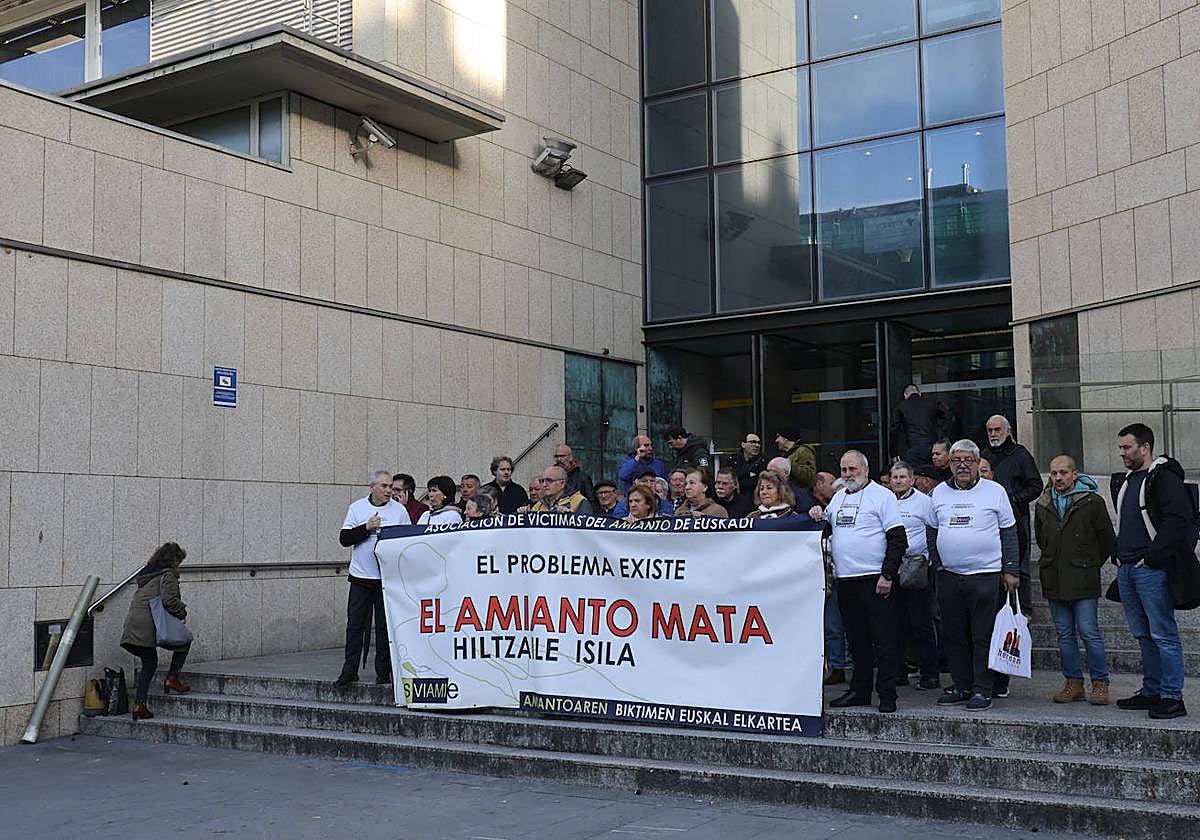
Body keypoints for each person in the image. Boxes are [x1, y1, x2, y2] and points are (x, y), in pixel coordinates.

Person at [811, 451, 908, 713]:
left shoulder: (882, 496)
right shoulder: (838, 498)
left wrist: (887, 575)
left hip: (875, 580)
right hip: (846, 580)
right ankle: (860, 690)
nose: (847, 474)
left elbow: (898, 539)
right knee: (856, 641)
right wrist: (817, 513)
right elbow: (826, 529)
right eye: (843, 469)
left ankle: (887, 694)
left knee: (884, 640)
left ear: (865, 469)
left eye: (852, 469)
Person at [930, 440, 1019, 711]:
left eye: (968, 460)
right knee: (954, 634)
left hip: (986, 575)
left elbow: (1009, 531)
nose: (963, 465)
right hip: (949, 576)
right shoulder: (938, 493)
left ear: (978, 463)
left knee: (983, 635)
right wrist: (937, 562)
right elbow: (931, 529)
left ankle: (983, 689)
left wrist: (1011, 569)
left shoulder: (995, 491)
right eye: (957, 460)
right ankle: (962, 685)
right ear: (950, 464)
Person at [1110, 423, 1191, 719]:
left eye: (1127, 447)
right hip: (1128, 568)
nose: (1122, 453)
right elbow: (1124, 523)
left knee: (1163, 634)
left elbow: (1177, 519)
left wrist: (1154, 558)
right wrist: (1117, 554)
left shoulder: (1163, 478)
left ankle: (1172, 696)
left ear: (1144, 447)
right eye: (1120, 447)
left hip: (1150, 570)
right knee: (1143, 635)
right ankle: (1152, 690)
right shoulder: (1129, 480)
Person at [1034, 454, 1115, 705]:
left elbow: (1107, 540)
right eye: (1054, 473)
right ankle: (1073, 683)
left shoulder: (1092, 501)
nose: (1058, 478)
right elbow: (1042, 538)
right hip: (1054, 578)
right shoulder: (1044, 503)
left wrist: (1088, 564)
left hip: (1082, 578)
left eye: (1063, 473)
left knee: (1089, 632)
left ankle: (1100, 683)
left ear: (1074, 474)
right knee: (1064, 634)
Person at [337, 470, 412, 688]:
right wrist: (366, 528)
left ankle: (383, 671)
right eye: (384, 486)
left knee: (384, 627)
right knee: (355, 627)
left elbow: (407, 541)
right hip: (360, 577)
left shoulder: (399, 511)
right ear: (372, 487)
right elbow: (344, 538)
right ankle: (349, 670)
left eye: (391, 487)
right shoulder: (357, 508)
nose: (389, 491)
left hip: (386, 579)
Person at [121, 542, 191, 721]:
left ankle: (139, 705)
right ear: (174, 561)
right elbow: (170, 600)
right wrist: (182, 613)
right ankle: (172, 678)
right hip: (146, 625)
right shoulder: (168, 576)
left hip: (132, 624)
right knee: (184, 641)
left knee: (149, 662)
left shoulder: (147, 575)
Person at [889, 462, 941, 690]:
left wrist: (931, 561)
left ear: (912, 480)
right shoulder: (885, 501)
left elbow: (934, 531)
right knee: (894, 624)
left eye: (902, 477)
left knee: (921, 624)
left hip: (916, 568)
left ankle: (930, 674)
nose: (898, 481)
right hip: (891, 569)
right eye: (895, 477)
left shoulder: (924, 502)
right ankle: (899, 671)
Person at [984, 415, 1042, 613]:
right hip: (989, 521)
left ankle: (1024, 610)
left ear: (1007, 431)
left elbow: (1036, 486)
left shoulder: (1021, 455)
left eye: (997, 430)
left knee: (1021, 566)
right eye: (990, 430)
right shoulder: (983, 455)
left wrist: (1014, 499)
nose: (993, 434)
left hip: (1018, 518)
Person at [890, 384, 948, 466]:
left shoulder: (901, 407)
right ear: (919, 393)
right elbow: (947, 416)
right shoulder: (932, 403)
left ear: (905, 395)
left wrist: (894, 454)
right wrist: (942, 437)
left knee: (916, 475)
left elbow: (894, 430)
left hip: (914, 447)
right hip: (933, 446)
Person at [727, 433, 768, 497]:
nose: (757, 445)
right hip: (735, 498)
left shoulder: (764, 461)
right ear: (743, 444)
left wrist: (738, 482)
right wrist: (748, 474)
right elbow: (728, 478)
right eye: (752, 442)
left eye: (758, 443)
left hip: (755, 498)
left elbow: (758, 481)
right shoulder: (733, 459)